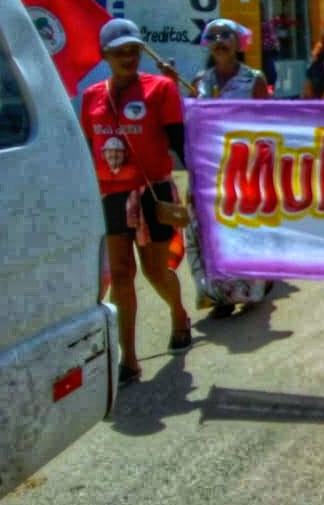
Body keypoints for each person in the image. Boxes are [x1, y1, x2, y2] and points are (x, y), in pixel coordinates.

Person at [80, 19, 192, 387]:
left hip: (153, 194)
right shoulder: (92, 97)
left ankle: (179, 315)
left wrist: (202, 183)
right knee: (122, 275)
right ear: (104, 55)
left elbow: (180, 142)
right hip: (112, 196)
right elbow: (85, 149)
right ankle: (128, 359)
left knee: (155, 272)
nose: (128, 57)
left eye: (133, 50)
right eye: (119, 51)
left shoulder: (160, 89)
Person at [172, 18, 274, 318]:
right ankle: (219, 295)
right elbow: (192, 122)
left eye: (225, 35)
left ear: (238, 42)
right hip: (208, 167)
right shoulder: (201, 80)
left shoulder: (253, 79)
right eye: (213, 36)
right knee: (209, 232)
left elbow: (266, 124)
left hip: (243, 166)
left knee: (243, 229)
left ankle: (251, 287)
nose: (219, 40)